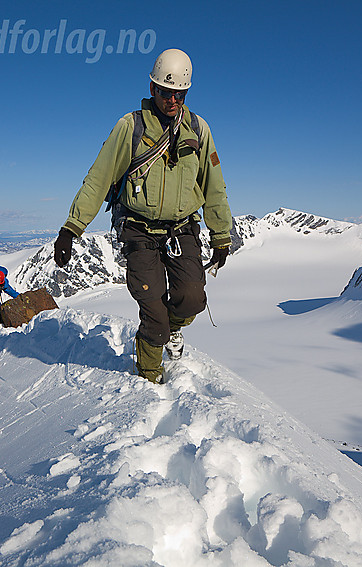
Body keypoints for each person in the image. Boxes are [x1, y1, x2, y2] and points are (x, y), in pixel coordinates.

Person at [53, 48, 232, 383]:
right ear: (153, 89)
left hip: (182, 229)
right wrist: (72, 228)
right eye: (166, 92)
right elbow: (100, 177)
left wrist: (221, 234)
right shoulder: (131, 126)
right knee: (154, 311)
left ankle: (170, 329)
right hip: (139, 229)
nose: (172, 100)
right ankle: (148, 375)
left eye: (179, 94)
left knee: (192, 298)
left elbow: (214, 185)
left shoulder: (198, 129)